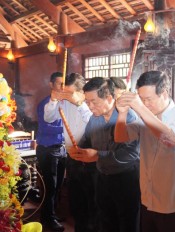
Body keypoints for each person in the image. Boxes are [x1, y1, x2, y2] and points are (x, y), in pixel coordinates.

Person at [114, 71, 175, 232]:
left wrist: (140, 107)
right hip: (148, 196)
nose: (145, 103)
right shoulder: (142, 117)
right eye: (142, 99)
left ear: (164, 93)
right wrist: (122, 113)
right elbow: (120, 137)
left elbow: (169, 140)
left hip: (172, 200)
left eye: (148, 99)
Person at [69, 77, 140, 232]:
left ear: (109, 98)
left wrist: (97, 156)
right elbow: (86, 139)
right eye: (87, 102)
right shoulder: (94, 119)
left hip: (126, 179)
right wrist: (78, 150)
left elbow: (129, 154)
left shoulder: (128, 117)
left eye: (94, 102)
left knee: (128, 223)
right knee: (105, 220)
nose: (90, 106)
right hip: (102, 177)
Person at [44, 73, 96, 232]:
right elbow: (48, 117)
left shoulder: (91, 104)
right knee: (76, 204)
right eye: (63, 92)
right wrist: (53, 100)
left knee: (92, 205)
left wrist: (80, 104)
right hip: (72, 156)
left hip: (90, 156)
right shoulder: (63, 102)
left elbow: (94, 123)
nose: (65, 96)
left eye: (69, 93)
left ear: (81, 92)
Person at [36, 72, 66, 232]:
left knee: (58, 185)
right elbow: (45, 127)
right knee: (50, 186)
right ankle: (48, 219)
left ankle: (51, 214)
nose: (62, 87)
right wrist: (68, 128)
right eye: (59, 83)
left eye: (64, 83)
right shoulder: (44, 104)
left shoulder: (65, 103)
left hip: (61, 149)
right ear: (51, 85)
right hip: (47, 149)